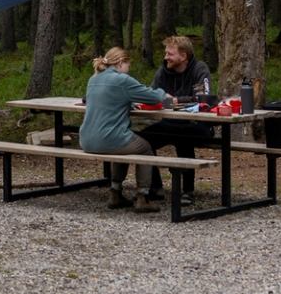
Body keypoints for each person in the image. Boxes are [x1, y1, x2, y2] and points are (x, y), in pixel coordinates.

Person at [79, 46, 174, 211]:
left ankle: (115, 192)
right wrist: (164, 94)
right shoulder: (122, 80)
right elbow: (153, 97)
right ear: (121, 62)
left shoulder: (93, 79)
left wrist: (128, 102)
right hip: (108, 139)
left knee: (122, 145)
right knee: (145, 148)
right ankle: (142, 197)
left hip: (86, 140)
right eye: (128, 65)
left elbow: (96, 99)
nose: (128, 70)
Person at [141, 35, 216, 204]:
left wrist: (175, 100)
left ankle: (188, 191)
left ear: (183, 56)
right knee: (143, 140)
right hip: (171, 123)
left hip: (198, 125)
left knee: (183, 136)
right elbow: (153, 95)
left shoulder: (199, 69)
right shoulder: (163, 71)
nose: (165, 57)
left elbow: (203, 99)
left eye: (170, 54)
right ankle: (155, 187)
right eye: (166, 53)